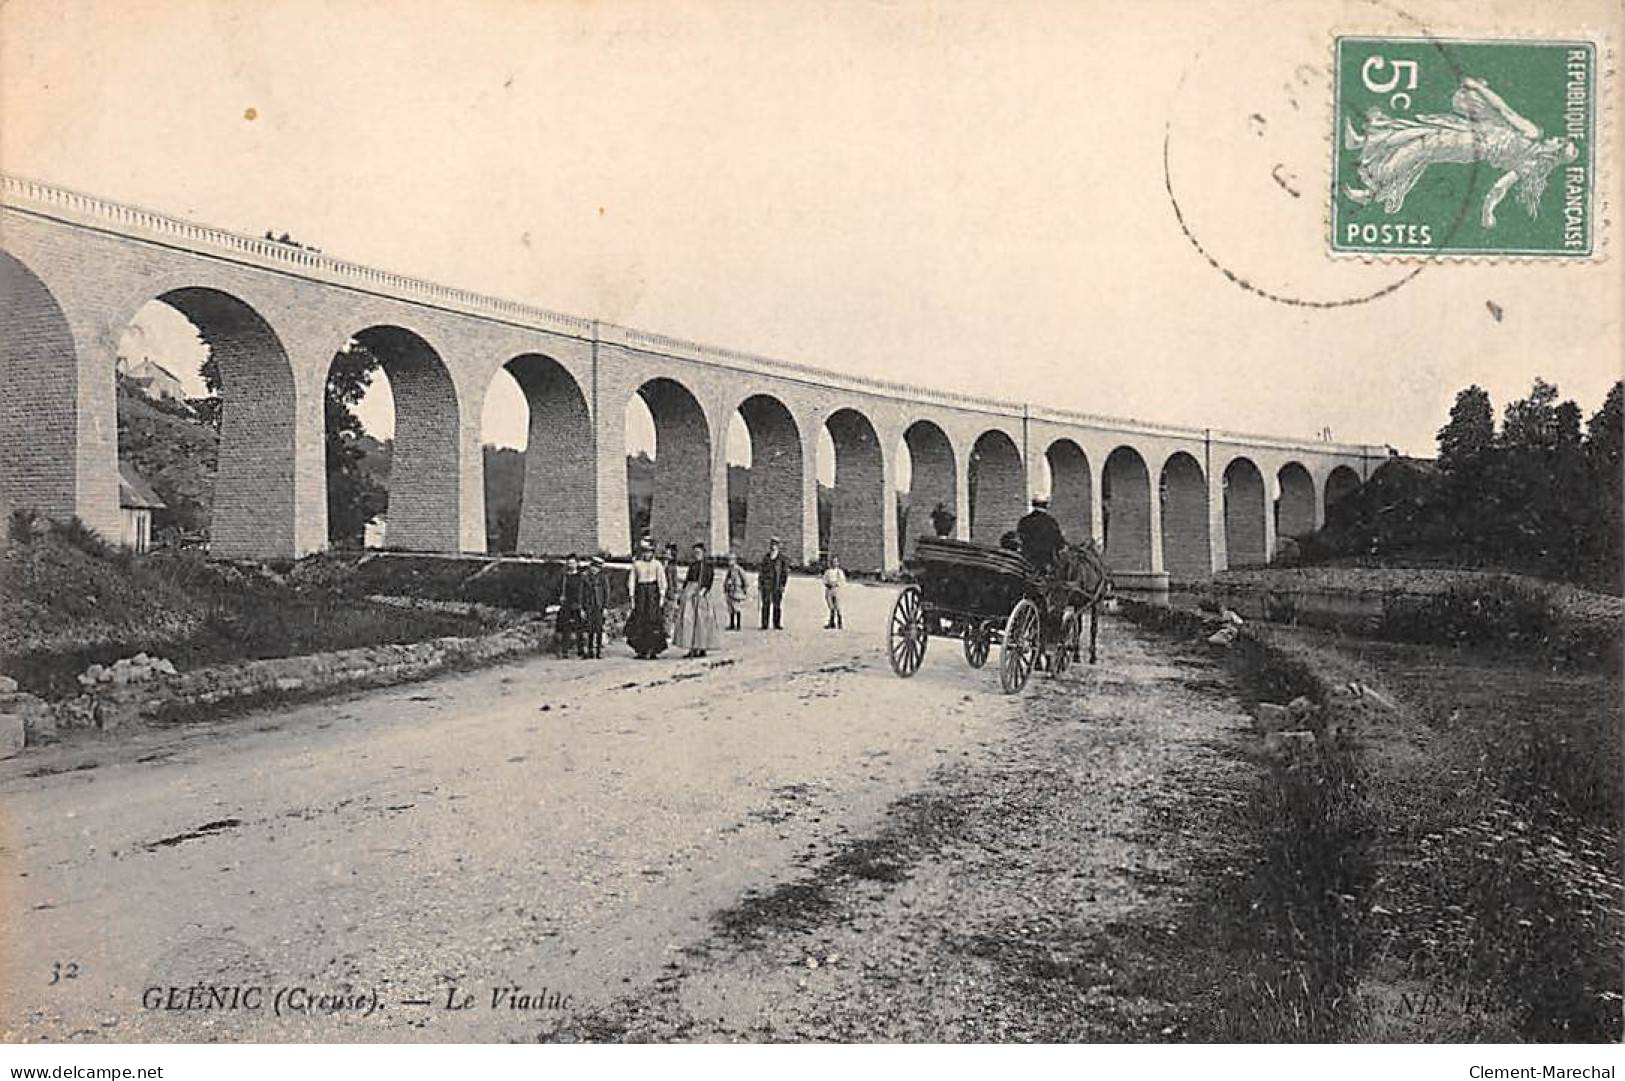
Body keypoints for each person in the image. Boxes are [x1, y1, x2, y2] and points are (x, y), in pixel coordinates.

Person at [672, 542, 722, 658]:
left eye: (698, 553)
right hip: (690, 594)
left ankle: (702, 647)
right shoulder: (693, 566)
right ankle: (692, 648)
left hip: (702, 595)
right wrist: (683, 594)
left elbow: (709, 580)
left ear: (703, 553)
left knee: (702, 621)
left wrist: (704, 590)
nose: (696, 555)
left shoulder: (707, 567)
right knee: (689, 621)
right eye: (695, 553)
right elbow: (687, 580)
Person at [625, 539, 668, 659]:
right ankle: (641, 649)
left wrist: (662, 596)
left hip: (652, 595)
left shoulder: (657, 565)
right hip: (641, 595)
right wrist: (632, 596)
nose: (647, 554)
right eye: (645, 552)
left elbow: (662, 581)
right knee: (640, 621)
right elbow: (632, 581)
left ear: (652, 553)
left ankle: (652, 649)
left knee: (653, 621)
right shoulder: (637, 564)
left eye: (649, 552)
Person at [1017, 495, 1065, 573]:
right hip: (1045, 559)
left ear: (1033, 504)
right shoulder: (1050, 521)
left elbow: (1020, 537)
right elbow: (1059, 541)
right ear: (1046, 506)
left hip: (1026, 558)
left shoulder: (1024, 520)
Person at [554, 554, 586, 658]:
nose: (571, 565)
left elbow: (583, 592)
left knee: (579, 628)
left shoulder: (581, 577)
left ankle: (581, 650)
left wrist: (582, 606)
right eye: (569, 563)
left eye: (573, 563)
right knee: (565, 628)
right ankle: (565, 651)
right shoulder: (564, 577)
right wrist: (560, 597)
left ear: (577, 564)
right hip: (566, 604)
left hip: (577, 604)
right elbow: (558, 589)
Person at [758, 537, 790, 630]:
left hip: (777, 584)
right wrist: (760, 583)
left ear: (778, 546)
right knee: (765, 604)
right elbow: (761, 571)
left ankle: (777, 623)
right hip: (766, 585)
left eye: (775, 545)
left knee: (777, 605)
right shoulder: (766, 557)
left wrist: (783, 585)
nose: (773, 547)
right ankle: (765, 624)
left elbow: (784, 573)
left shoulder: (782, 559)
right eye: (772, 545)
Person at [581, 555, 608, 659]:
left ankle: (598, 651)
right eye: (593, 567)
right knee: (589, 629)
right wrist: (582, 608)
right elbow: (581, 593)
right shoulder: (585, 577)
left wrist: (605, 607)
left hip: (599, 606)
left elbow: (606, 593)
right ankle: (590, 650)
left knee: (599, 628)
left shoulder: (603, 578)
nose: (594, 569)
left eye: (597, 567)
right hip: (589, 606)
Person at [722, 550, 749, 630]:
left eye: (731, 560)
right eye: (729, 560)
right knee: (730, 609)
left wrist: (744, 589)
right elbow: (727, 579)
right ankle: (732, 624)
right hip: (730, 591)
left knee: (737, 608)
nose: (729, 562)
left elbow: (745, 580)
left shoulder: (738, 569)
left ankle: (738, 625)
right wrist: (725, 587)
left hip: (737, 591)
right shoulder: (729, 570)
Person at [661, 543, 681, 636]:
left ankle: (667, 630)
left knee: (669, 612)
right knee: (664, 611)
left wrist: (674, 591)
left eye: (667, 553)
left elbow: (674, 581)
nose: (665, 555)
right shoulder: (662, 566)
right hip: (662, 591)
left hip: (670, 592)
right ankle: (664, 628)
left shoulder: (672, 568)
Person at [821, 554, 847, 629]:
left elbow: (842, 581)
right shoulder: (828, 572)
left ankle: (840, 623)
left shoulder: (839, 572)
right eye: (832, 562)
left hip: (836, 590)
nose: (834, 563)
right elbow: (824, 580)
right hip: (829, 590)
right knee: (831, 607)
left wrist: (836, 584)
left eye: (835, 562)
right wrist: (827, 584)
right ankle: (831, 623)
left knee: (838, 607)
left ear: (838, 563)